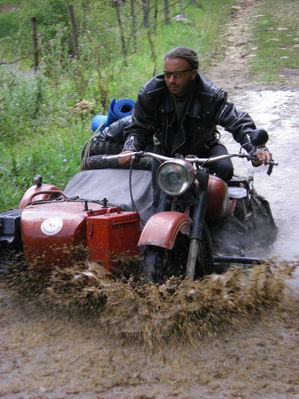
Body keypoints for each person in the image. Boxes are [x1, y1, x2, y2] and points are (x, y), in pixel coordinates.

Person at [119, 46, 272, 181]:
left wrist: (256, 148)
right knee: (159, 194)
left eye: (177, 75)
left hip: (204, 148)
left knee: (225, 170)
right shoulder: (151, 94)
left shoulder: (211, 96)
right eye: (167, 74)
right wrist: (129, 148)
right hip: (165, 152)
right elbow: (138, 127)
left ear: (193, 74)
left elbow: (236, 121)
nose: (171, 80)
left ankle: (223, 210)